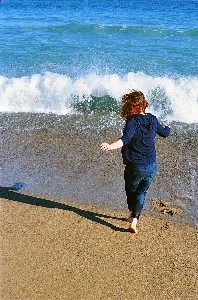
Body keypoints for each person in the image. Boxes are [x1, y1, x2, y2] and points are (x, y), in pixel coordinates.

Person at [100, 90, 170, 233]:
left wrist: (110, 146)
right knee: (142, 192)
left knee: (131, 191)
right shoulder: (153, 119)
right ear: (144, 104)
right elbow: (165, 133)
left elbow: (125, 139)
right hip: (151, 165)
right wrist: (168, 127)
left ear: (131, 106)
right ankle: (134, 219)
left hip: (134, 166)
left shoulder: (132, 121)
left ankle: (132, 216)